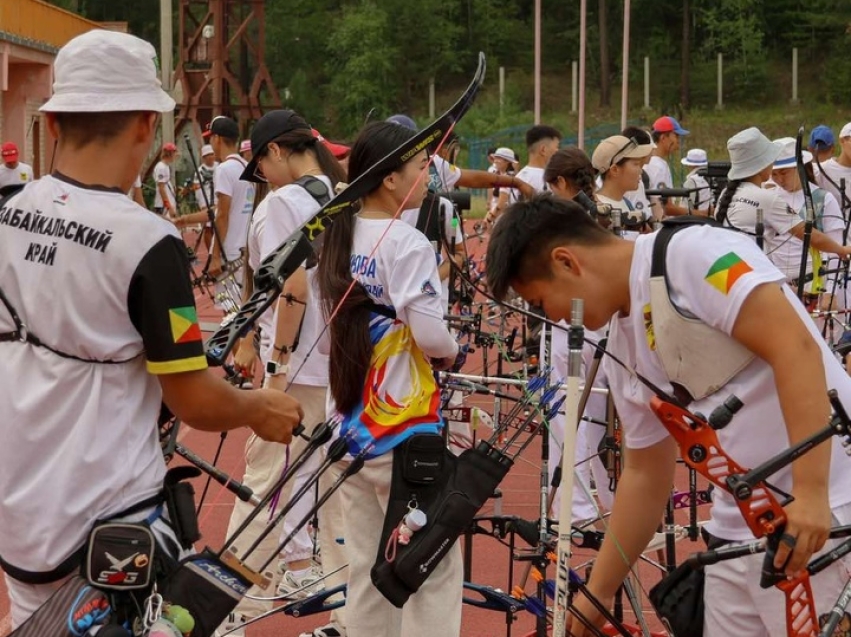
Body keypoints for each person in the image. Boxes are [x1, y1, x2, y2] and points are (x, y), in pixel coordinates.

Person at [0, 29, 303, 629]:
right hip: (107, 514)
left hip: (19, 510)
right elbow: (192, 398)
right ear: (146, 124)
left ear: (55, 124)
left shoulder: (7, 212)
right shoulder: (150, 243)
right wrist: (257, 408)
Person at [485, 194, 851, 637]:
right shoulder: (620, 344)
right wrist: (594, 599)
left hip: (823, 516)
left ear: (567, 262)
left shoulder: (695, 254)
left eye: (543, 303)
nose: (554, 319)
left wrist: (812, 497)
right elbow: (644, 473)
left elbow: (795, 348)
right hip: (738, 533)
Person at [316, 121, 462, 637]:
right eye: (420, 166)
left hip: (349, 426)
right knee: (430, 567)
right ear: (390, 181)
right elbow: (431, 336)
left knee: (367, 565)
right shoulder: (406, 241)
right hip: (403, 428)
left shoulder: (337, 234)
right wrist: (452, 349)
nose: (428, 173)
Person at [213, 109, 348, 637]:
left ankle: (224, 614)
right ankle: (344, 614)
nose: (261, 179)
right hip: (341, 366)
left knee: (262, 489)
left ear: (274, 152)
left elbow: (288, 289)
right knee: (334, 489)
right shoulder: (344, 197)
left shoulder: (279, 206)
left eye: (260, 166)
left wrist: (274, 370)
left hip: (296, 367)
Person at [715, 128, 851, 293]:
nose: (778, 177)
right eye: (772, 166)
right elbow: (810, 235)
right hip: (749, 281)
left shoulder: (726, 194)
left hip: (726, 277)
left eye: (784, 172)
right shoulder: (766, 198)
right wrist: (842, 250)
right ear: (762, 165)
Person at [205, 115, 255, 277]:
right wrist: (185, 220)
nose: (210, 143)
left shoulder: (224, 169)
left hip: (231, 251)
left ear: (217, 138)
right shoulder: (246, 166)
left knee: (226, 303)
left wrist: (216, 256)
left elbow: (222, 215)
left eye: (210, 138)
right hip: (248, 248)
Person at [592, 135, 654, 239]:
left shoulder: (627, 203)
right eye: (636, 164)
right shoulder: (598, 211)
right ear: (615, 170)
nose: (641, 170)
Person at [492, 124, 561, 215]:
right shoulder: (549, 179)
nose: (558, 152)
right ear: (543, 150)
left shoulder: (519, 176)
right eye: (556, 149)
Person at [647, 115, 690, 217]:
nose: (678, 141)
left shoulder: (656, 162)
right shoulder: (657, 166)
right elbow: (664, 207)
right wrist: (697, 214)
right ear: (663, 138)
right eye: (676, 136)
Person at [621, 126, 655, 221]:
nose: (651, 152)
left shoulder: (637, 175)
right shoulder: (631, 177)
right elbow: (641, 218)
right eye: (648, 150)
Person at [681, 148, 712, 215]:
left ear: (689, 164)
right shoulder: (714, 178)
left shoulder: (691, 181)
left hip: (696, 221)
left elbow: (685, 208)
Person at [153, 141, 178, 217]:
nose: (175, 155)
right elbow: (161, 188)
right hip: (163, 206)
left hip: (167, 205)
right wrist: (169, 207)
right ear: (170, 154)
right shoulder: (161, 167)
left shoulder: (166, 166)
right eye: (174, 153)